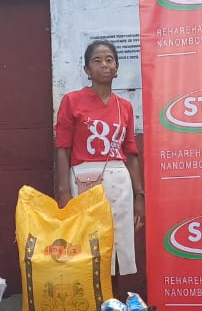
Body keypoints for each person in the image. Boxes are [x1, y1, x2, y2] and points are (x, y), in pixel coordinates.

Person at [53, 40, 145, 278]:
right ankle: (93, 307)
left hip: (120, 181)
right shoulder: (72, 101)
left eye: (109, 60)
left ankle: (112, 309)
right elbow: (63, 147)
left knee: (119, 243)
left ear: (116, 67)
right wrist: (64, 192)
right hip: (85, 180)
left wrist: (139, 196)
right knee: (88, 244)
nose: (104, 65)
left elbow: (131, 154)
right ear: (87, 70)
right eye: (97, 60)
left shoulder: (124, 106)